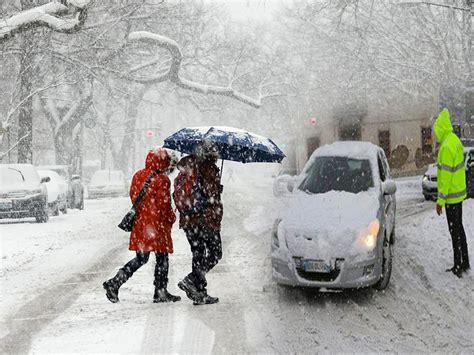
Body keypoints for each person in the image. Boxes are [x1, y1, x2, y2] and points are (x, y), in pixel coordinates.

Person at [103, 148, 181, 303]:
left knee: (141, 258)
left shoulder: (138, 175)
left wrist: (146, 212)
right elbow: (163, 205)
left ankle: (115, 282)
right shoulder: (163, 180)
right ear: (164, 162)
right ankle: (160, 291)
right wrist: (171, 217)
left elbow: (133, 196)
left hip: (141, 223)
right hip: (157, 226)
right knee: (162, 258)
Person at [175, 141, 223, 305]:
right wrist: (217, 188)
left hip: (188, 220)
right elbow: (210, 194)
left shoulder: (186, 168)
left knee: (198, 254)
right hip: (205, 219)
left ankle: (200, 293)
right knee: (216, 254)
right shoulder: (207, 168)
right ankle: (192, 280)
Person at [434, 108, 470, 278]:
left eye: (436, 131)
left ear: (441, 128)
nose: (436, 135)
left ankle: (458, 265)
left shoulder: (446, 147)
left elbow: (445, 177)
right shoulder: (454, 140)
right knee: (459, 228)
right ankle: (465, 261)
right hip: (459, 195)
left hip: (451, 197)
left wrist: (440, 201)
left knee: (454, 230)